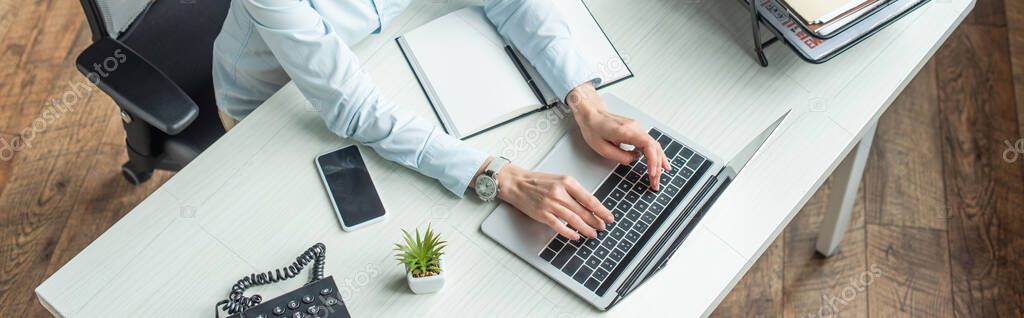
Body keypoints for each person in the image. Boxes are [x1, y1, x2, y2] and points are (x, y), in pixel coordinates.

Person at [212, 0, 669, 241]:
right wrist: (498, 175)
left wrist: (586, 102)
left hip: (375, 52)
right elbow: (352, 108)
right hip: (267, 109)